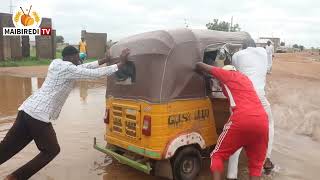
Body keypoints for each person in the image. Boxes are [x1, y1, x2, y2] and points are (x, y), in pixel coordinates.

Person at [0, 46, 130, 180]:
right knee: (51, 150)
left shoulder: (56, 63)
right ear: (72, 57)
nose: (80, 60)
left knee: (8, 147)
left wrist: (104, 60)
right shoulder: (69, 68)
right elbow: (94, 74)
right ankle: (14, 178)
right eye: (78, 58)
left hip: (26, 110)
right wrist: (120, 64)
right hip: (39, 115)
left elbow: (84, 68)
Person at [195, 63, 268, 180]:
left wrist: (196, 63)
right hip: (262, 121)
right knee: (256, 165)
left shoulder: (228, 75)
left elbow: (205, 68)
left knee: (217, 155)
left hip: (243, 118)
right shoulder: (245, 79)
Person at [227, 41, 275, 180]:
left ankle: (231, 175)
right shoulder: (263, 52)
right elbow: (264, 70)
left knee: (235, 133)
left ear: (242, 47)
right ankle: (266, 159)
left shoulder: (237, 55)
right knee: (269, 124)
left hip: (242, 97)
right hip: (259, 96)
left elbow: (233, 72)